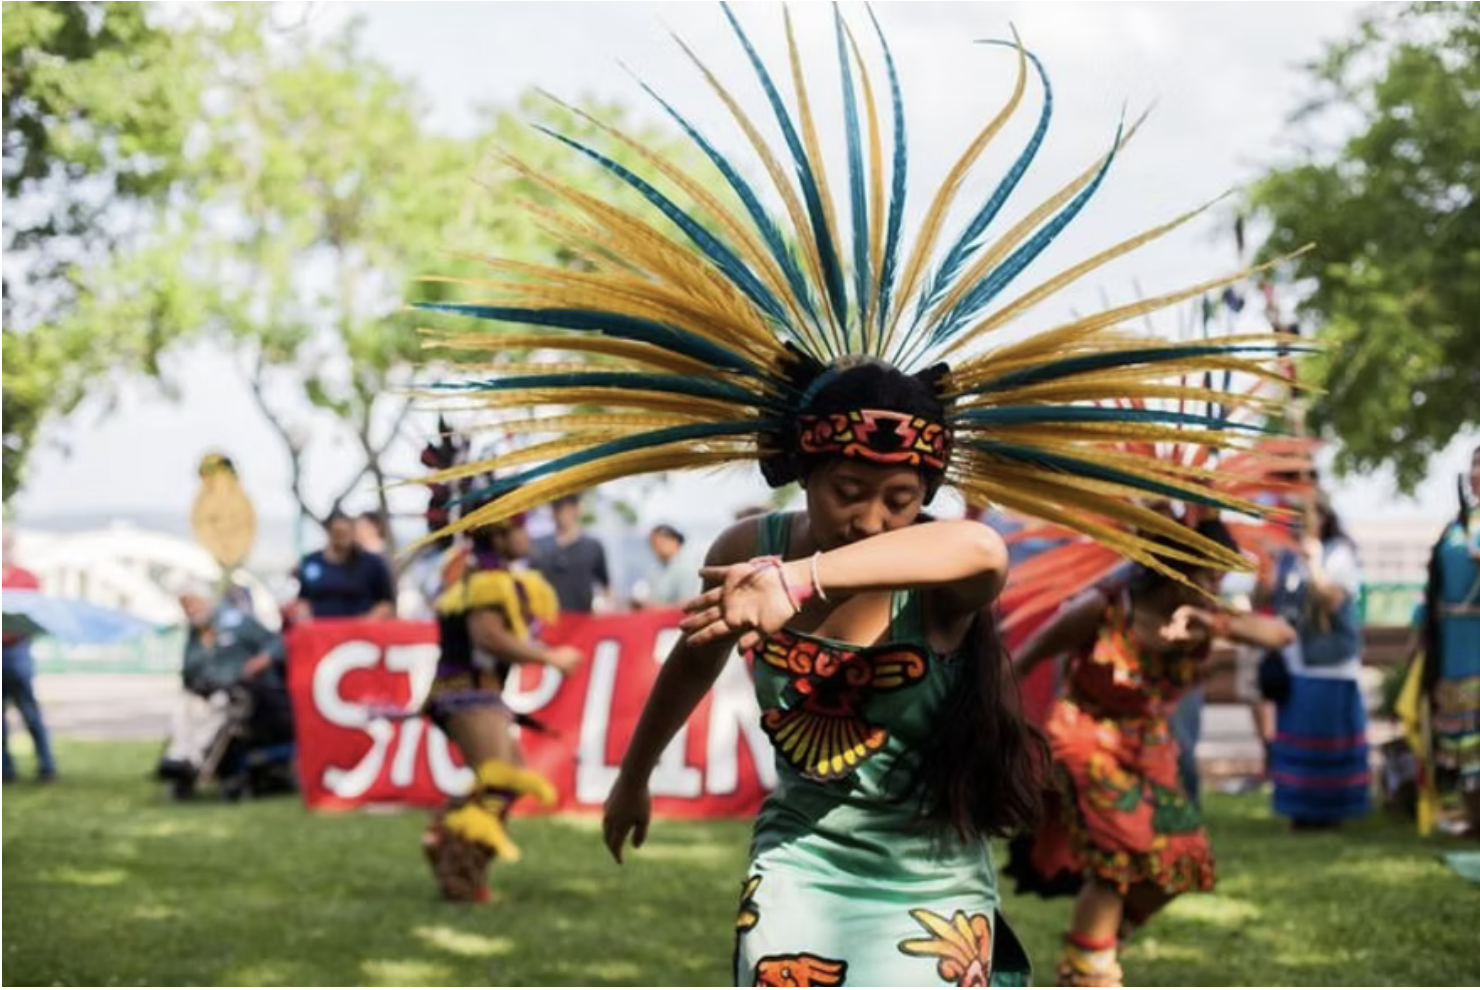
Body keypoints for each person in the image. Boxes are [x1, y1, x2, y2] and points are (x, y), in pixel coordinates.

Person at [412, 7, 1294, 981]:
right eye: (848, 490)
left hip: (933, 866)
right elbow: (691, 663)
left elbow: (982, 552)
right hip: (801, 860)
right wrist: (630, 777)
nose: (874, 513)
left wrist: (796, 584)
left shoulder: (941, 566)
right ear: (800, 469)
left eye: (899, 496)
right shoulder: (752, 542)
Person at [1008, 518, 1295, 986]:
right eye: (1207, 576)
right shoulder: (1103, 607)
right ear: (1173, 569)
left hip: (1151, 747)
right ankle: (1089, 972)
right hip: (1088, 740)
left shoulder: (1205, 617)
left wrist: (1213, 622)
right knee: (1117, 862)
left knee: (1183, 861)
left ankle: (1097, 944)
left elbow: (1282, 635)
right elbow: (1028, 655)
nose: (1213, 588)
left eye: (1219, 579)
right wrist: (996, 729)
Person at [420, 495, 584, 903]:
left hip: (477, 694)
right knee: (499, 783)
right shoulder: (484, 579)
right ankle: (460, 875)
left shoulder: (485, 575)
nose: (528, 536)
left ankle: (444, 833)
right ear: (499, 532)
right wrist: (550, 658)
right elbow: (487, 636)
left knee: (506, 781)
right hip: (466, 695)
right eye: (521, 526)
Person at [1265, 491, 1372, 829]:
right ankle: (1301, 809)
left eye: (1305, 517)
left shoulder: (1338, 554)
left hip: (1331, 666)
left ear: (1323, 518)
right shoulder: (1286, 556)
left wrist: (1313, 562)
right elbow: (1270, 599)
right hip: (1295, 665)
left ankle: (1332, 810)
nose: (1298, 524)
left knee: (1329, 739)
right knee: (1298, 737)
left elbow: (1332, 602)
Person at [158, 583, 293, 798]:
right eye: (184, 605)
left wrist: (262, 660)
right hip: (205, 692)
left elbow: (277, 642)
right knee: (185, 703)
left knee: (221, 705)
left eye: (193, 603)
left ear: (208, 601)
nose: (190, 609)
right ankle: (180, 756)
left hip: (242, 692)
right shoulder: (195, 636)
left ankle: (193, 760)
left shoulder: (238, 622)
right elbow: (187, 672)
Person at [1422, 445, 1480, 833]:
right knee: (1461, 743)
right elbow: (1434, 588)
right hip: (1451, 645)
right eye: (1474, 463)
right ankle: (1473, 817)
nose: (1477, 471)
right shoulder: (1456, 526)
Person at [2, 532, 56, 784]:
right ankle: (5, 770)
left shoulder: (25, 578)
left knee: (29, 711)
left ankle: (46, 766)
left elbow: (36, 615)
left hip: (16, 650)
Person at [291, 510, 396, 621]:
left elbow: (386, 603)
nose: (342, 538)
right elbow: (303, 599)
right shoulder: (312, 562)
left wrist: (367, 621)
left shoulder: (371, 563)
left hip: (360, 631)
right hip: (320, 630)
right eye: (338, 532)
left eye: (347, 533)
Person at [529, 494, 610, 614]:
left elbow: (606, 586)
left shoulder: (592, 546)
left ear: (578, 508)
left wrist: (605, 608)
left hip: (583, 620)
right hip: (548, 622)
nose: (562, 515)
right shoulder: (537, 547)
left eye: (567, 508)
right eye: (557, 509)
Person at [631, 524, 702, 609]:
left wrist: (652, 607)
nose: (656, 547)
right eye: (653, 544)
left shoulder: (687, 567)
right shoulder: (656, 570)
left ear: (675, 541)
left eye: (661, 542)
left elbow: (686, 604)